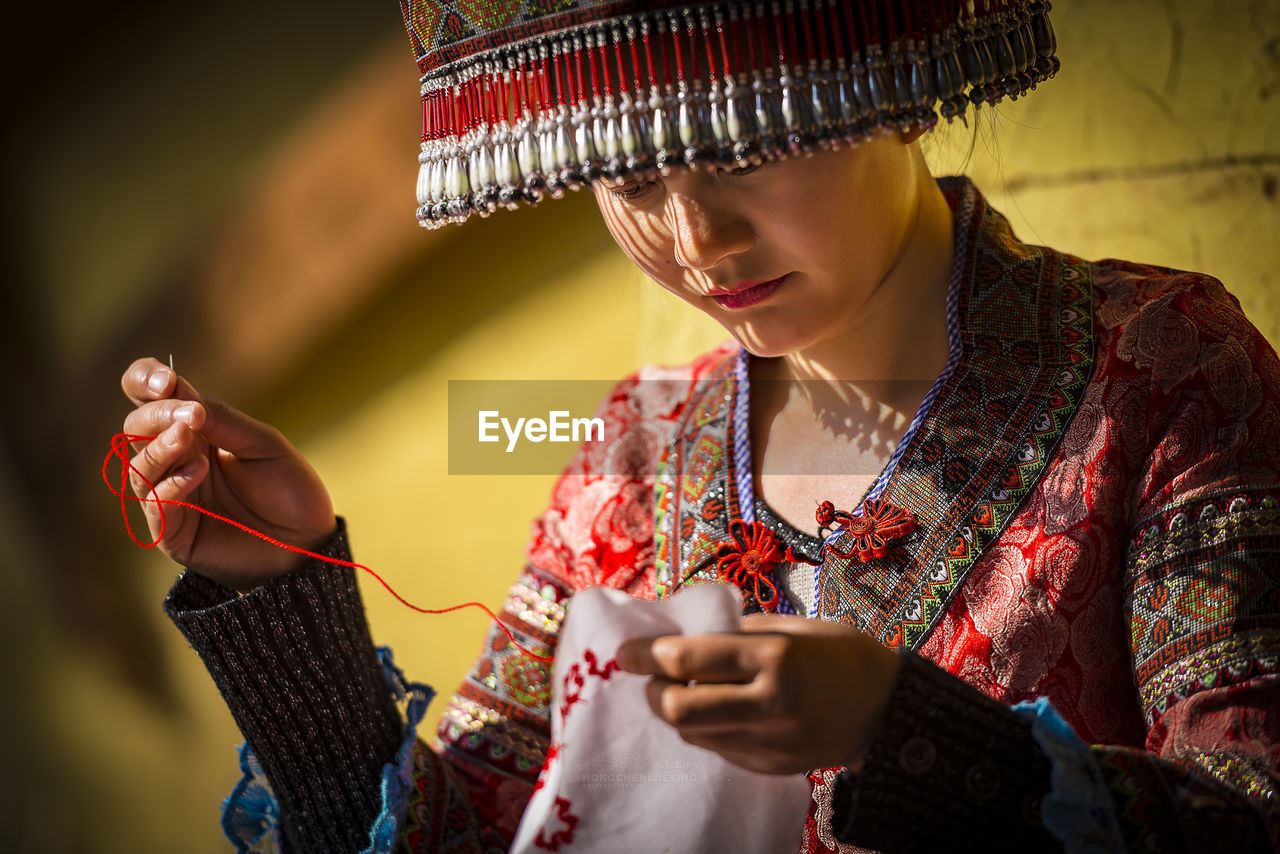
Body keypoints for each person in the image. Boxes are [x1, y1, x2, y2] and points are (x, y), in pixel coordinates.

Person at [120, 1, 1280, 851]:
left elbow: (1246, 817)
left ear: (886, 68)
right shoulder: (633, 451)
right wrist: (286, 581)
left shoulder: (1155, 364)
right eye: (629, 183)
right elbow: (470, 828)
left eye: (743, 145)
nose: (697, 239)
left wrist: (909, 732)